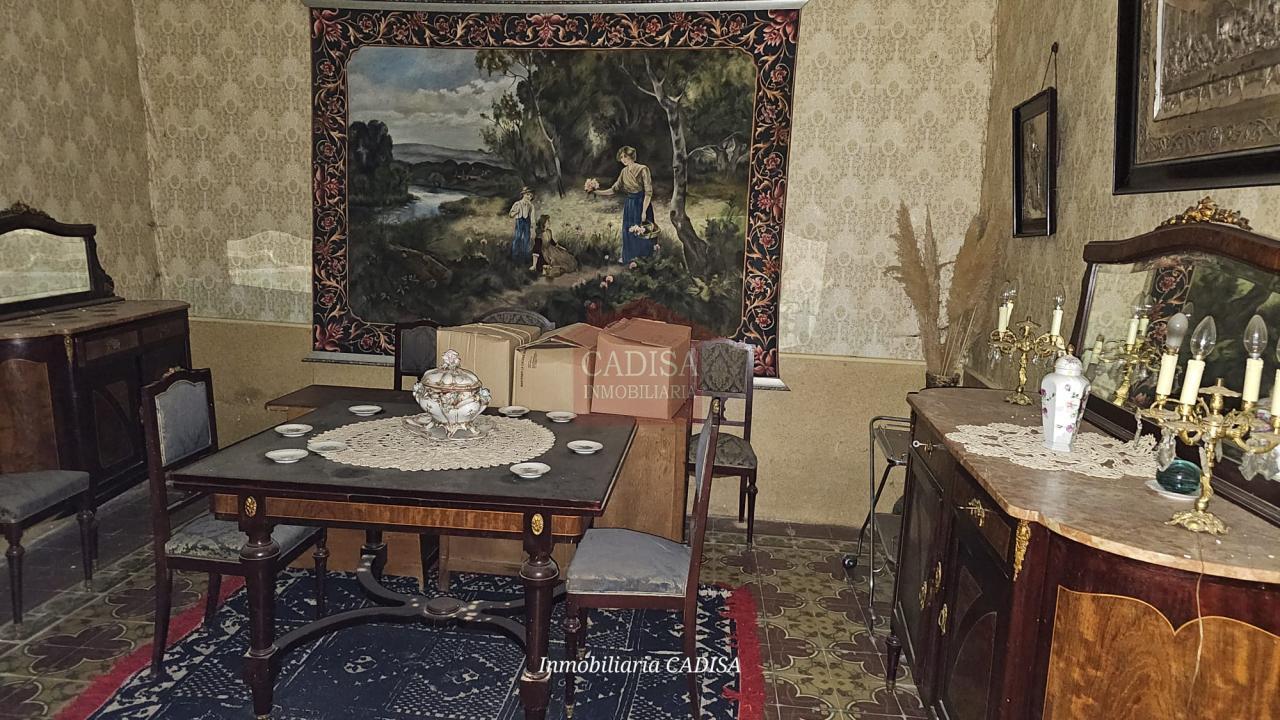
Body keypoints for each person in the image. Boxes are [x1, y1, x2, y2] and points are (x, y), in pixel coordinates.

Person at [587, 146, 655, 263]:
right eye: (621, 157)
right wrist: (597, 192)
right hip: (630, 205)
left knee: (643, 231)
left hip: (641, 203)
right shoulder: (624, 172)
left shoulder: (643, 169)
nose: (623, 159)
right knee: (628, 231)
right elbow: (614, 189)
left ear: (631, 156)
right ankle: (630, 260)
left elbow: (648, 193)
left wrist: (644, 212)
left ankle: (644, 262)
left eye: (625, 156)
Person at [532, 214, 578, 279]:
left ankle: (556, 269)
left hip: (552, 249)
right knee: (554, 261)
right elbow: (536, 249)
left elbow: (552, 242)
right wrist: (534, 265)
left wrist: (561, 247)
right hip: (544, 252)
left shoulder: (549, 231)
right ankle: (549, 269)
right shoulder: (539, 235)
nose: (549, 223)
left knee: (565, 257)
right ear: (543, 223)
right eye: (548, 221)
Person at [509, 187, 534, 262]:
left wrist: (532, 223)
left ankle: (526, 256)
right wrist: (516, 212)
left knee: (527, 238)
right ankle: (515, 255)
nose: (529, 197)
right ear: (523, 194)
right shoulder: (517, 203)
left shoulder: (530, 205)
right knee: (518, 237)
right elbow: (510, 214)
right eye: (527, 195)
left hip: (527, 221)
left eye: (531, 196)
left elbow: (532, 215)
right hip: (519, 221)